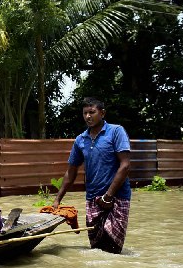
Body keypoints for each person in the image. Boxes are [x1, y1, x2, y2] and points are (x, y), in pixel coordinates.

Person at [52, 97, 131, 253]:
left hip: (117, 198)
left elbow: (125, 165)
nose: (88, 116)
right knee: (96, 248)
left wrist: (108, 196)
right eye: (85, 113)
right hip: (93, 198)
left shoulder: (116, 131)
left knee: (113, 248)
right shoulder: (80, 140)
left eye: (92, 112)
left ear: (102, 113)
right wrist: (57, 199)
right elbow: (71, 171)